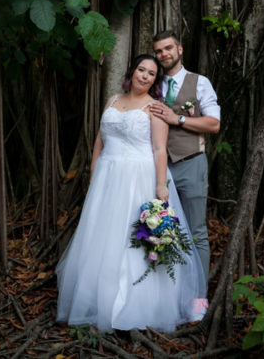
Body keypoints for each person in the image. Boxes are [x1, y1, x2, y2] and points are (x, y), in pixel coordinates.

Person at [56, 54, 206, 333]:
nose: (145, 76)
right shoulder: (112, 100)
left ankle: (136, 305)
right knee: (103, 237)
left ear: (155, 81)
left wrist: (161, 186)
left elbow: (160, 149)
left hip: (139, 176)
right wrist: (94, 173)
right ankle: (99, 300)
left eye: (151, 74)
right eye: (141, 70)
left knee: (134, 238)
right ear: (132, 71)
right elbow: (100, 140)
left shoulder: (156, 108)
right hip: (107, 176)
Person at [150, 30, 220, 290]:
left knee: (196, 232)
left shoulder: (199, 82)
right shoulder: (151, 82)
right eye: (158, 51)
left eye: (168, 48)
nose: (163, 54)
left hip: (190, 163)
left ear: (180, 50)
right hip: (157, 168)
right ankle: (166, 294)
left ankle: (198, 294)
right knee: (158, 229)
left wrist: (178, 118)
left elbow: (213, 124)